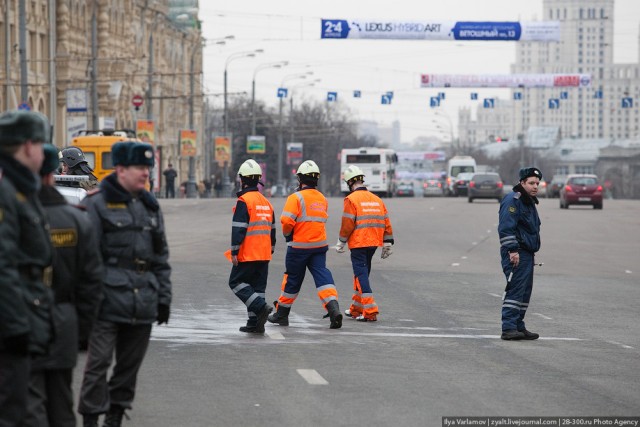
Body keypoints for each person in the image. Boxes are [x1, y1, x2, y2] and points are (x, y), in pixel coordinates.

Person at [78, 141, 172, 427]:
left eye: (147, 168)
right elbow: (84, 258)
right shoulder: (95, 204)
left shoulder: (150, 207)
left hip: (142, 300)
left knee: (129, 368)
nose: (146, 173)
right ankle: (91, 418)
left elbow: (160, 257)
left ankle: (115, 416)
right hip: (105, 300)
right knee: (97, 365)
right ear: (120, 169)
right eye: (139, 168)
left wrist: (164, 298)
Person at [25, 144, 103, 427]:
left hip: (20, 324)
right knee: (60, 401)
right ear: (52, 172)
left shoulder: (14, 214)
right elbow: (92, 281)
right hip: (64, 325)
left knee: (23, 402)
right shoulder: (79, 214)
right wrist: (82, 329)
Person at [0, 110, 54, 426]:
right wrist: (18, 325)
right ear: (29, 145)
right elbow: (3, 266)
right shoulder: (8, 193)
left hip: (23, 317)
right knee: (11, 413)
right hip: (11, 327)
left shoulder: (23, 189)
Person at [268, 160, 343, 329]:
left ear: (300, 179)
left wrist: (288, 236)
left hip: (299, 247)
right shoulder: (322, 198)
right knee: (322, 276)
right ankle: (333, 308)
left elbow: (287, 221)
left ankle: (282, 314)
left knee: (292, 279)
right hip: (318, 246)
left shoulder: (296, 197)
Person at [334, 165, 394, 322]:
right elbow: (386, 221)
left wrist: (341, 242)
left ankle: (370, 310)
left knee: (361, 276)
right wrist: (387, 242)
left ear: (349, 183)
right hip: (373, 242)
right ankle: (356, 309)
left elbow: (347, 224)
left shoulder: (351, 199)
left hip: (359, 242)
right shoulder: (377, 199)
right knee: (362, 274)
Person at [227, 159, 275, 333]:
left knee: (236, 282)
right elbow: (273, 228)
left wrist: (234, 251)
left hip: (249, 253)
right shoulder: (266, 202)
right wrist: (271, 248)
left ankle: (260, 307)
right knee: (257, 287)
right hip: (264, 253)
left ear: (243, 179)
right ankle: (255, 323)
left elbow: (239, 228)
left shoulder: (244, 201)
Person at [498, 167, 543, 341]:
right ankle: (508, 327)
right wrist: (512, 250)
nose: (535, 186)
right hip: (516, 252)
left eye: (537, 183)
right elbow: (506, 227)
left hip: (527, 253)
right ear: (522, 182)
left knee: (525, 291)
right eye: (531, 183)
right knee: (515, 290)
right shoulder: (513, 200)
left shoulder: (528, 201)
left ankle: (518, 325)